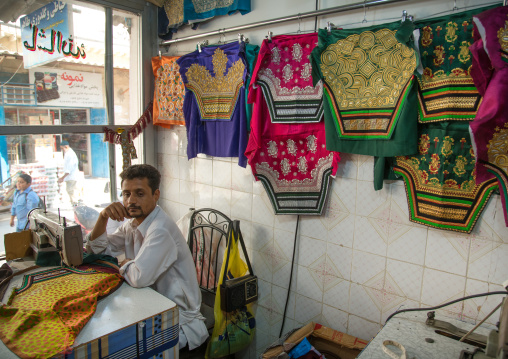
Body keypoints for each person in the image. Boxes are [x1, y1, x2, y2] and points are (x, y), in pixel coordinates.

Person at [86, 164, 208, 350]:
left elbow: (138, 277)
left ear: (156, 195)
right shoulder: (134, 224)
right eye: (126, 194)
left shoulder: (160, 229)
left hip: (178, 320)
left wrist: (123, 262)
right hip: (149, 307)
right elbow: (97, 249)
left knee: (118, 347)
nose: (131, 201)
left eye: (140, 194)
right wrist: (103, 217)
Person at [57, 140, 80, 205]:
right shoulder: (68, 153)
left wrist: (62, 177)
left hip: (72, 176)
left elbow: (69, 168)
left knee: (71, 191)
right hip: (70, 176)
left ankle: (75, 204)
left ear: (66, 147)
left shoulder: (70, 154)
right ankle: (74, 203)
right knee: (71, 191)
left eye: (62, 148)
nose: (62, 150)